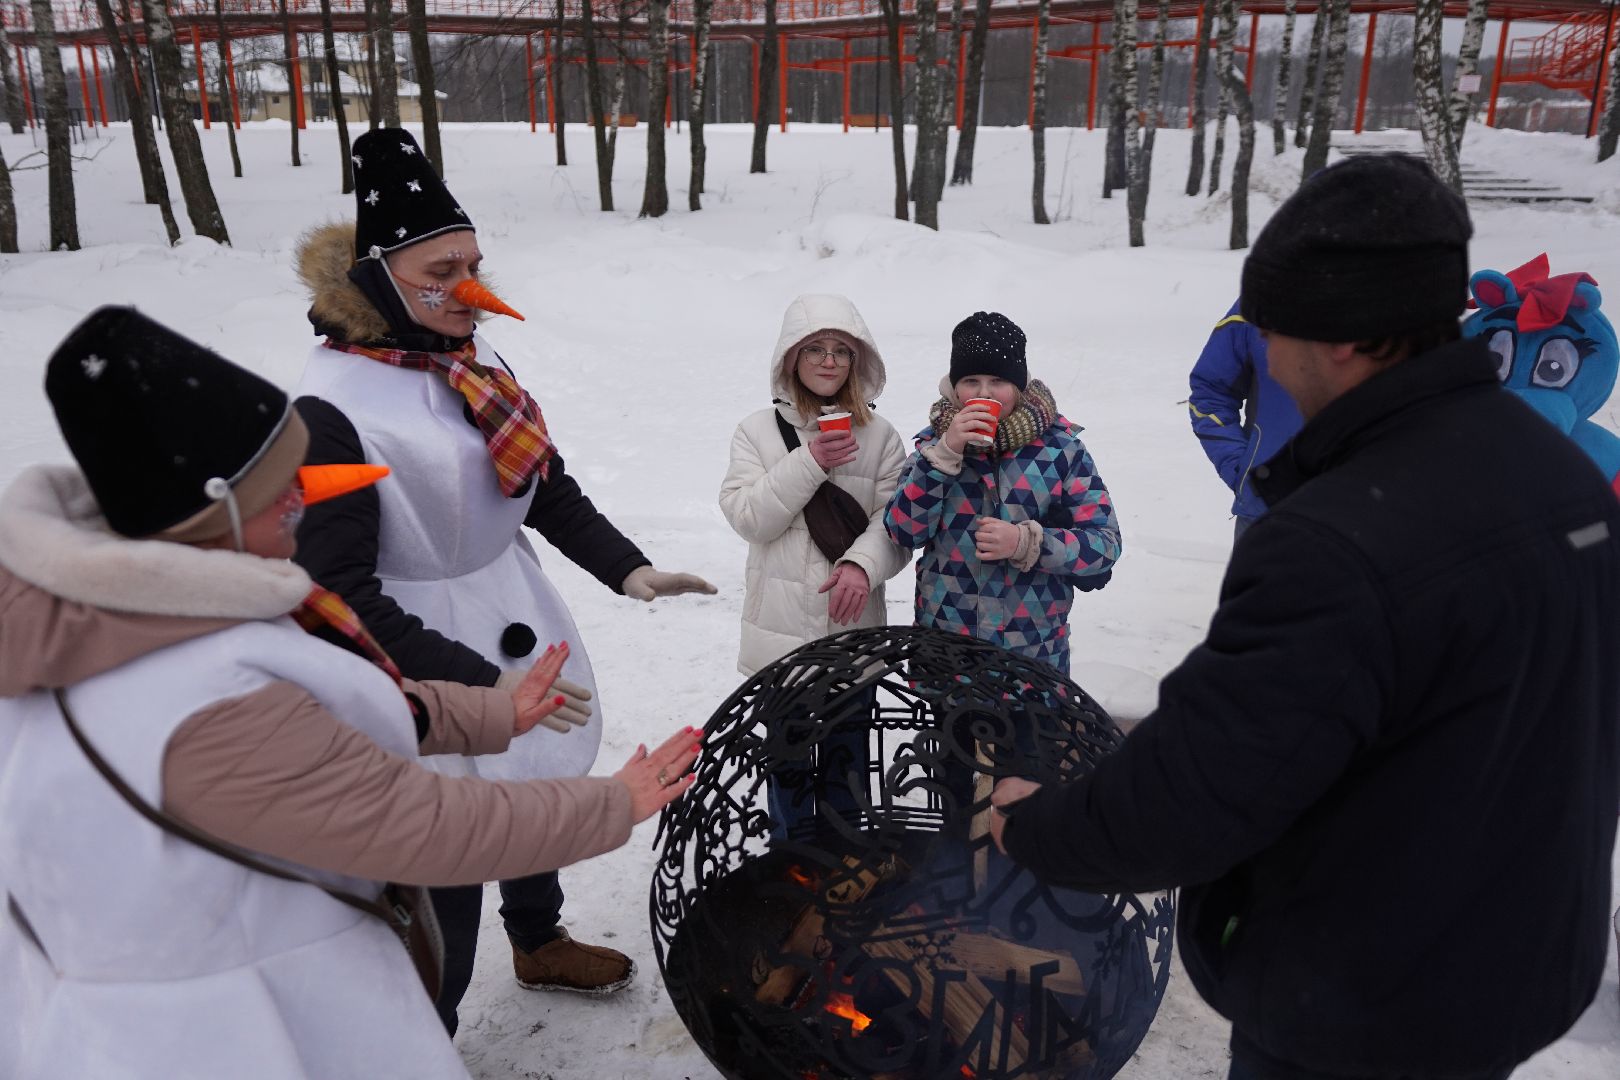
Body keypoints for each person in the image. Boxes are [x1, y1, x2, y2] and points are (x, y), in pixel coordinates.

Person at [989, 156, 1620, 1080]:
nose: (1267, 362)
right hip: (1510, 974)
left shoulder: (1334, 539)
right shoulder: (1568, 479)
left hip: (1360, 1007)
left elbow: (1202, 790)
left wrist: (1036, 823)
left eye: (1273, 332)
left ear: (1346, 341)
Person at [0, 307, 700, 1080]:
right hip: (224, 1035)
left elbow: (318, 725)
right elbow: (424, 828)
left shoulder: (120, 622)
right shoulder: (200, 694)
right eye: (283, 493)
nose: (309, 502)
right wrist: (616, 803)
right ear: (213, 515)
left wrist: (495, 712)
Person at [289, 128, 714, 1026]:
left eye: (475, 263)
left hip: (505, 602)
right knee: (447, 834)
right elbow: (336, 595)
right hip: (412, 651)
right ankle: (428, 1025)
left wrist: (629, 570)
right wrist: (485, 685)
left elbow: (541, 485)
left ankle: (538, 935)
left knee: (533, 771)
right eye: (443, 269)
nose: (471, 288)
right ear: (376, 281)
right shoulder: (331, 410)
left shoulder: (471, 365)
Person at [719, 294, 910, 834]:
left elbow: (895, 528)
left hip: (852, 632)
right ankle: (792, 880)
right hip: (779, 642)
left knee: (848, 774)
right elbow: (748, 517)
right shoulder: (756, 432)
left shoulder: (881, 437)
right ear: (791, 359)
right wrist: (808, 461)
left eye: (841, 351)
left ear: (857, 362)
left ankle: (847, 881)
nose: (829, 361)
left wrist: (860, 567)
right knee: (789, 771)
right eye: (815, 349)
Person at [883, 311, 1120, 677]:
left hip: (1032, 657)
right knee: (953, 735)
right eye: (971, 380)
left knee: (1027, 736)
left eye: (998, 381)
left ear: (1019, 385)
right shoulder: (933, 446)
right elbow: (903, 531)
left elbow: (1104, 545)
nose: (983, 394)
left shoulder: (1062, 450)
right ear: (954, 388)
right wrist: (945, 455)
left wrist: (1028, 543)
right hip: (948, 654)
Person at [1187, 299, 1303, 539]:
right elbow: (1211, 393)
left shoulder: (1391, 298)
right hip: (1268, 510)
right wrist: (1243, 470)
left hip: (1374, 514)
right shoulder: (1262, 302)